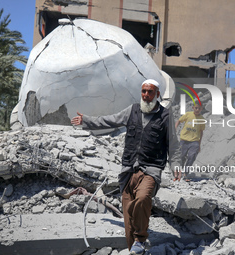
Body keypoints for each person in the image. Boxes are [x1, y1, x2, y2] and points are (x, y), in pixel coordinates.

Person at [71, 79, 181, 255]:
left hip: (151, 169)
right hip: (129, 169)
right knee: (128, 215)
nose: (146, 95)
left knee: (144, 197)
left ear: (157, 94)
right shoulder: (132, 110)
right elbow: (110, 120)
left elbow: (173, 144)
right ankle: (135, 249)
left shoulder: (166, 116)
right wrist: (87, 121)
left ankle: (140, 238)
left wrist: (175, 165)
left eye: (150, 92)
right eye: (143, 91)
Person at [175, 102, 205, 181]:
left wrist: (199, 144)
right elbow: (179, 121)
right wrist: (175, 129)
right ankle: (179, 172)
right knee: (181, 156)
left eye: (199, 108)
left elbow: (201, 132)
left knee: (192, 157)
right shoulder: (188, 114)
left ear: (201, 109)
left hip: (194, 141)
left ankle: (186, 174)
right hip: (184, 140)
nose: (197, 110)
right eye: (196, 108)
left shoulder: (202, 119)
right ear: (193, 108)